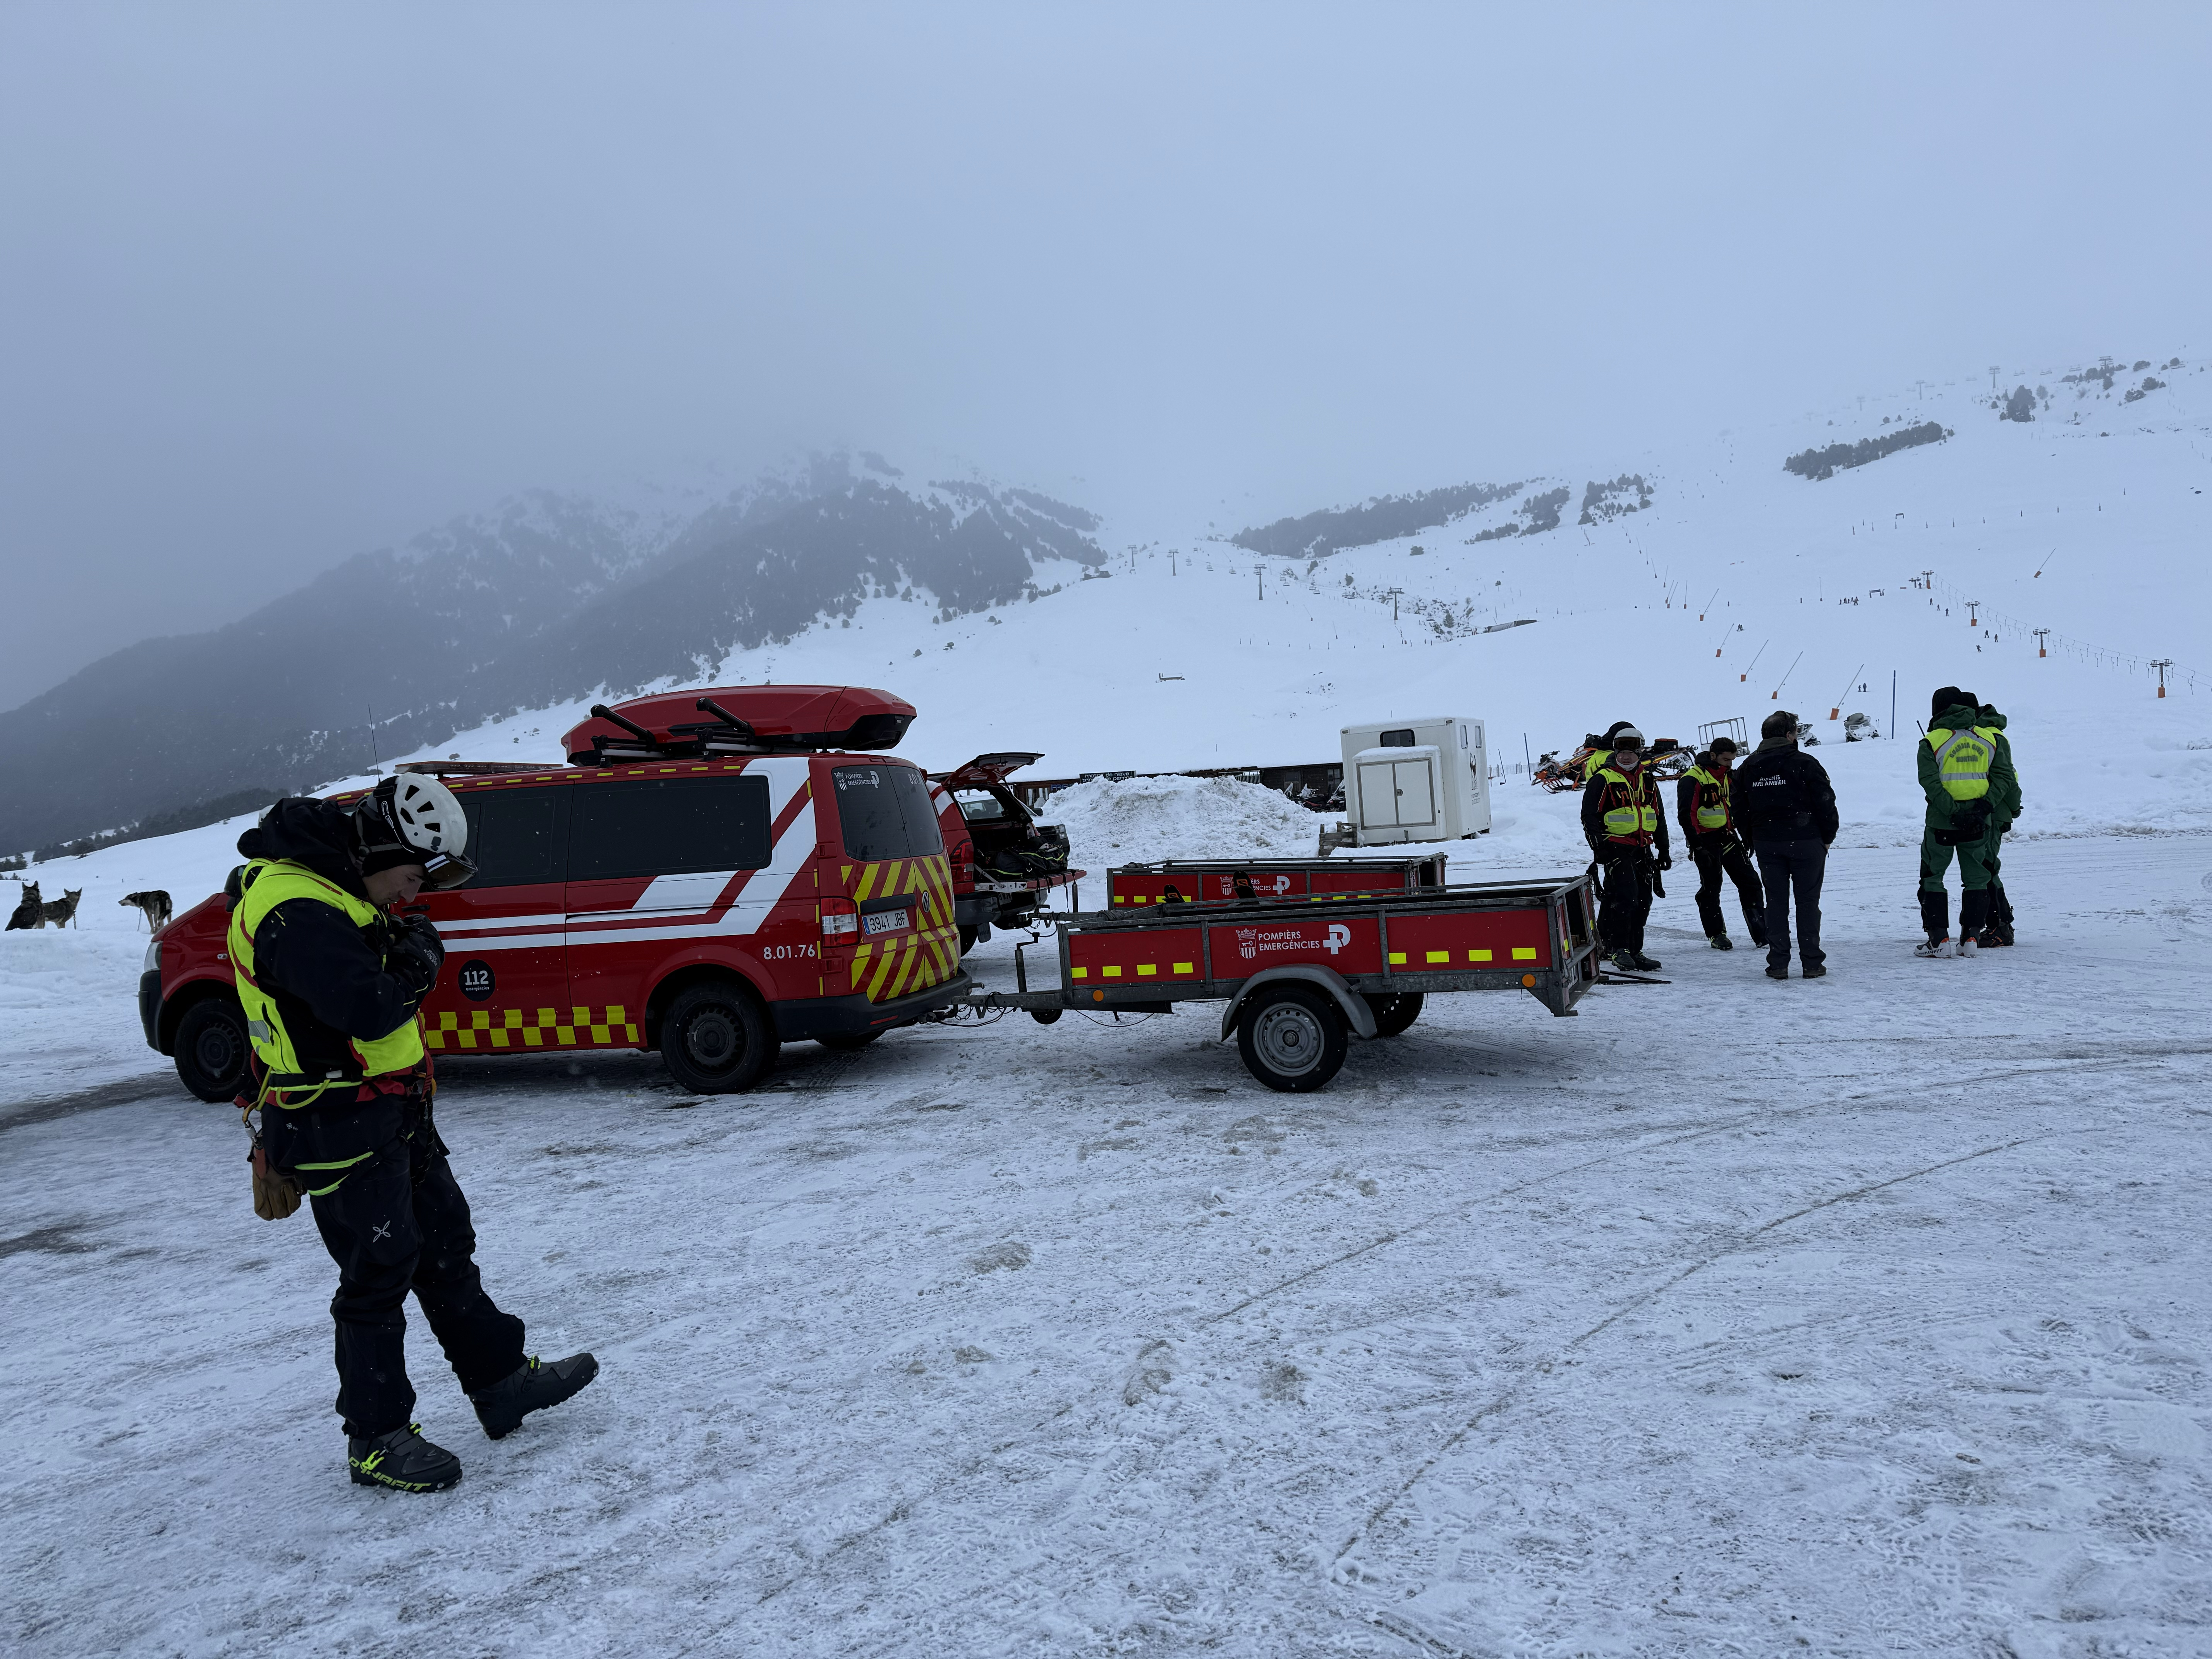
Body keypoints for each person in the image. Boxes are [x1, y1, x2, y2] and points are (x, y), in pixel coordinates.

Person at [231, 775, 598, 1492]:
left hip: (390, 1106)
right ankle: (376, 1437)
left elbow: (378, 968)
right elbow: (367, 1005)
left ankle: (498, 1381)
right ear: (381, 848)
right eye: (410, 877)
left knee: (444, 1245)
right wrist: (418, 956)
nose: (409, 895)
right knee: (378, 1273)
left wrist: (405, 940)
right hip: (333, 1117)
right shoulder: (292, 905)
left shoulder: (336, 890)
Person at [1914, 687, 2020, 958]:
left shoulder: (1932, 740)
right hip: (1980, 821)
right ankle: (1971, 937)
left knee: (1933, 877)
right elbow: (2005, 777)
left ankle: (1939, 938)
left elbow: (1930, 783)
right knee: (1977, 878)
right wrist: (1983, 807)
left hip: (1942, 821)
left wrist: (1952, 811)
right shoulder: (1988, 738)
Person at [1734, 709, 1838, 980]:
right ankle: (1812, 962)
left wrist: (1751, 838)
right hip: (1806, 840)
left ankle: (1778, 963)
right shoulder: (1805, 762)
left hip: (1768, 843)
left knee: (1776, 903)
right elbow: (1826, 802)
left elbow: (1738, 808)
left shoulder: (1748, 766)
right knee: (1808, 902)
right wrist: (1827, 837)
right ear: (1790, 735)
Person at [1580, 724, 1670, 972]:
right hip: (1616, 849)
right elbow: (1589, 816)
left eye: (1632, 749)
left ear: (1640, 751)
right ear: (1615, 751)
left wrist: (1664, 850)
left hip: (1642, 849)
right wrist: (1600, 849)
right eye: (1622, 749)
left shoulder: (1648, 779)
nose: (1626, 755)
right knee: (1625, 899)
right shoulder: (1603, 779)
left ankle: (1635, 950)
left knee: (1644, 900)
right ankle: (1619, 950)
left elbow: (1659, 816)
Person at [1675, 738, 1767, 951]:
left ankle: (1762, 932)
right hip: (1705, 842)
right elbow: (1686, 815)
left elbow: (1741, 808)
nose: (1729, 764)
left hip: (1728, 837)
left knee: (1751, 883)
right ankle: (1717, 935)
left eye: (1733, 760)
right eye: (1726, 759)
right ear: (1713, 755)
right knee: (1711, 888)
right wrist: (1697, 846)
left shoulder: (1730, 776)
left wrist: (1747, 836)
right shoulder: (1692, 779)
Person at [1973, 698, 2020, 946]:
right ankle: (1999, 924)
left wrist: (2011, 807)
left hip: (1992, 811)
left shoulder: (1988, 737)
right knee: (1987, 867)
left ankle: (2000, 927)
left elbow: (2007, 778)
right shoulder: (1995, 735)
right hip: (1998, 810)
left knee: (1987, 868)